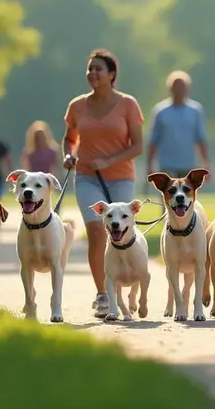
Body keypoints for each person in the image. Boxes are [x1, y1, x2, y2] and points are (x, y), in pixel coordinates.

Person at [62, 48, 144, 318]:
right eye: (89, 69)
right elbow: (69, 138)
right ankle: (103, 294)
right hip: (87, 176)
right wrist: (69, 155)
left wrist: (109, 161)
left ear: (111, 74)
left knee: (122, 233)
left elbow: (138, 146)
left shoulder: (128, 104)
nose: (92, 73)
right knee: (98, 231)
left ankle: (128, 286)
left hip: (120, 177)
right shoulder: (77, 105)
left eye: (98, 69)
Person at [146, 70, 209, 179]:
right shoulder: (160, 111)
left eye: (182, 87)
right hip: (167, 165)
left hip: (188, 165)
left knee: (187, 195)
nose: (178, 90)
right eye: (175, 87)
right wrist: (150, 165)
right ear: (170, 88)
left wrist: (206, 164)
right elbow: (153, 141)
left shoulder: (195, 111)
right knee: (169, 195)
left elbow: (201, 139)